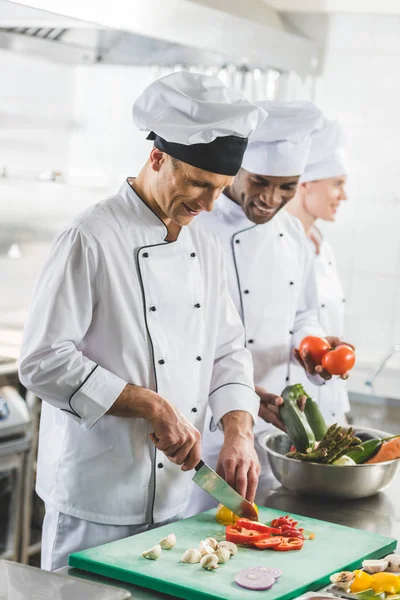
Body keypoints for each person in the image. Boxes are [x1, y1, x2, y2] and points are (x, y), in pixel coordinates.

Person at [18, 72, 267, 570]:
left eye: (220, 189)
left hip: (177, 498)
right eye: (198, 183)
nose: (208, 204)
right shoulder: (90, 237)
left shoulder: (206, 246)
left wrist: (240, 430)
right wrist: (152, 404)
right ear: (157, 158)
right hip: (96, 501)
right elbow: (42, 362)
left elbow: (227, 351)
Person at [186, 102, 353, 516]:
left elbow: (302, 314)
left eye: (287, 187)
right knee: (197, 539)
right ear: (236, 170)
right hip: (203, 427)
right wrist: (234, 400)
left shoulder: (292, 234)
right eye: (260, 181)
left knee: (259, 540)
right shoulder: (194, 224)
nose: (269, 199)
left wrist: (313, 348)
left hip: (272, 428)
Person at [286, 119, 351, 424]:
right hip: (291, 404)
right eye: (337, 183)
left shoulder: (321, 245)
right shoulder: (279, 245)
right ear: (305, 183)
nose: (343, 195)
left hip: (329, 400)